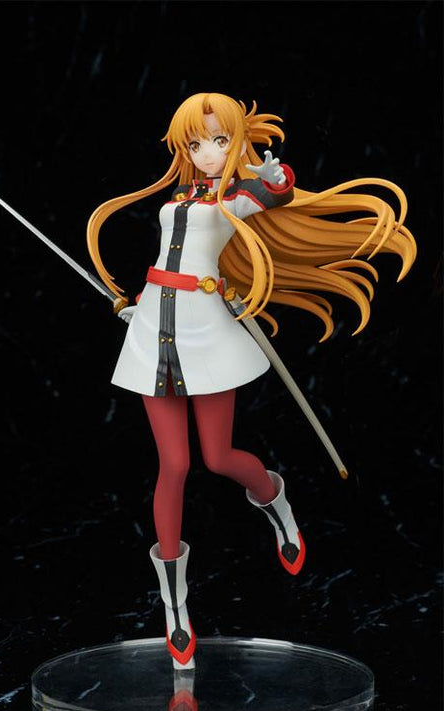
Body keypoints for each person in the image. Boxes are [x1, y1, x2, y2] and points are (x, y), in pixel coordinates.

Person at [86, 92, 416, 669]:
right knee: (174, 466)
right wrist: (138, 303)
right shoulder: (177, 198)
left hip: (206, 333)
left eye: (219, 140)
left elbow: (277, 191)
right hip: (154, 328)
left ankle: (275, 501)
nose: (207, 152)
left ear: (235, 141)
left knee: (217, 457)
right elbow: (167, 262)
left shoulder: (234, 196)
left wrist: (271, 175)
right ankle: (175, 606)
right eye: (197, 142)